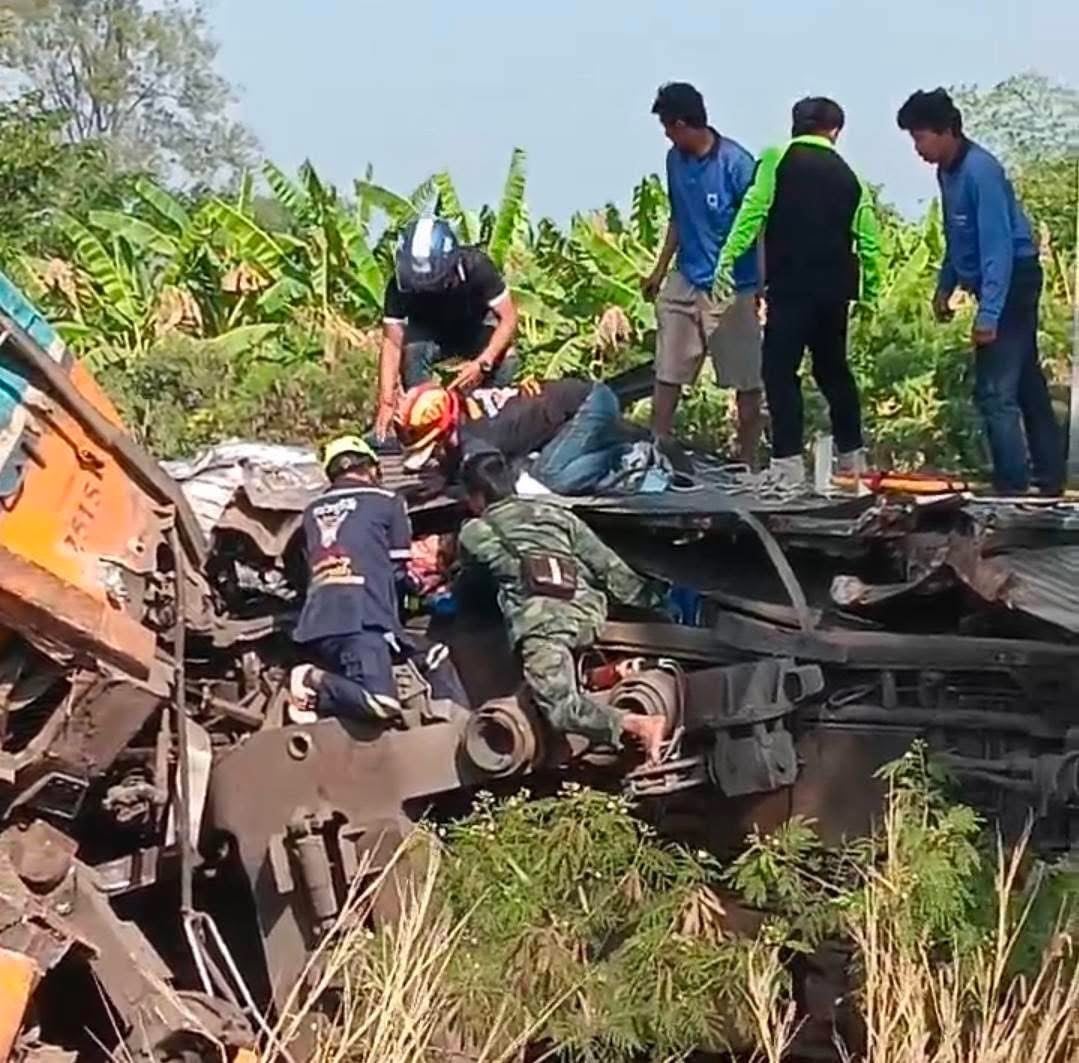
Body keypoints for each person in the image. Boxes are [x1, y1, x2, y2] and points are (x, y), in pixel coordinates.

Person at [896, 88, 1063, 496]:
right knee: (1026, 384)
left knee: (994, 392)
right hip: (990, 280)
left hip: (1012, 280)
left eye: (921, 137)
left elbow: (996, 247)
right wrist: (945, 285)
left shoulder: (980, 172)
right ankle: (1049, 476)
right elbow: (958, 235)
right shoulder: (946, 173)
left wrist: (989, 314)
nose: (917, 149)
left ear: (946, 131)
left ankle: (1012, 485)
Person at [457, 452, 671, 762]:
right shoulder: (554, 513)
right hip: (588, 615)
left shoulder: (474, 531)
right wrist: (658, 605)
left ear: (477, 496)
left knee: (560, 708)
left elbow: (470, 586)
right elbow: (610, 569)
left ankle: (638, 724)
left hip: (543, 625)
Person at [717, 97, 882, 490]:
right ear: (835, 131)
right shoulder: (850, 177)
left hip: (790, 286)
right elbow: (869, 241)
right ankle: (852, 458)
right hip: (835, 290)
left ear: (796, 126)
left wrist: (728, 256)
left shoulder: (776, 158)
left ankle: (788, 464)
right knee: (833, 371)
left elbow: (754, 210)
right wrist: (871, 292)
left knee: (779, 370)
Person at [289, 435, 461, 724]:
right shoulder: (388, 501)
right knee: (380, 702)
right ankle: (311, 681)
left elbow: (303, 568)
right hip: (362, 620)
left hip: (317, 623)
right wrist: (425, 599)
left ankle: (447, 725)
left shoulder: (310, 511)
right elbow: (398, 573)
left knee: (434, 654)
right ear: (371, 468)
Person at [641, 82, 764, 467]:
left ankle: (748, 462)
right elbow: (678, 217)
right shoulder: (674, 161)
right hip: (686, 277)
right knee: (668, 370)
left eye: (667, 127)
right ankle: (657, 449)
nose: (666, 135)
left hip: (732, 286)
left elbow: (760, 225)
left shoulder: (737, 164)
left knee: (745, 379)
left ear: (681, 124)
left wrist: (763, 285)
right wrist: (659, 271)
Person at [374, 217, 519, 439]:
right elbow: (392, 343)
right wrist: (386, 401)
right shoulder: (398, 285)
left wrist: (483, 362)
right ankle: (424, 418)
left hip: (474, 328)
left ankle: (489, 418)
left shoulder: (477, 266)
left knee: (508, 357)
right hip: (432, 334)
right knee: (412, 352)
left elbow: (509, 318)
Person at [396, 377, 640, 494]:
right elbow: (455, 449)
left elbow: (498, 490)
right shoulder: (466, 409)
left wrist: (451, 488)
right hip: (571, 408)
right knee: (537, 465)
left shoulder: (483, 437)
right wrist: (444, 475)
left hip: (591, 403)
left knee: (548, 480)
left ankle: (621, 455)